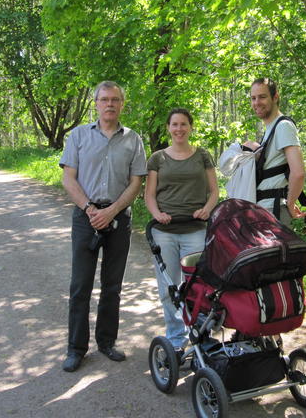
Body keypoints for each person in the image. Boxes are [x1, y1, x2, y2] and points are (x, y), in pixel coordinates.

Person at [59, 81, 147, 372]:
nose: (109, 104)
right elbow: (68, 178)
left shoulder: (133, 139)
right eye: (104, 99)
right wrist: (90, 209)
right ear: (95, 103)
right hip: (86, 219)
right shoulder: (79, 136)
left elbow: (137, 182)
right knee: (80, 286)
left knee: (113, 286)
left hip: (119, 219)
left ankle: (107, 342)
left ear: (122, 104)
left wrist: (111, 211)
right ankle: (76, 349)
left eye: (115, 100)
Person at [144, 108, 219, 351]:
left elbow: (214, 191)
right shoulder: (157, 158)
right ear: (168, 128)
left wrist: (207, 209)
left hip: (196, 230)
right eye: (174, 124)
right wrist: (157, 215)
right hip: (164, 232)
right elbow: (149, 195)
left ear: (190, 127)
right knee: (169, 288)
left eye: (184, 124)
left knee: (199, 288)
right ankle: (176, 338)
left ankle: (202, 336)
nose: (179, 129)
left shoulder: (203, 156)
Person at [243, 77, 306, 225]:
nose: (256, 103)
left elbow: (298, 173)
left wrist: (289, 204)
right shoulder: (270, 130)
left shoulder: (283, 126)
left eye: (262, 97)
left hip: (273, 213)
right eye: (253, 98)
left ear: (275, 97)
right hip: (265, 211)